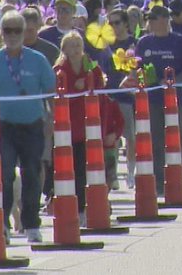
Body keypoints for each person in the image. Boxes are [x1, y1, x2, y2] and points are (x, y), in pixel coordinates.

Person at [0, 11, 56, 243]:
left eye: (17, 30)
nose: (12, 35)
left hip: (32, 125)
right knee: (4, 175)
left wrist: (51, 123)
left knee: (32, 174)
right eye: (7, 30)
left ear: (25, 33)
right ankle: (2, 223)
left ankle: (31, 224)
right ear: (1, 34)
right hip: (3, 127)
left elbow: (51, 95)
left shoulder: (38, 60)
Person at [132, 5, 182, 195]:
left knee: (177, 139)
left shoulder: (180, 42)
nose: (150, 22)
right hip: (152, 100)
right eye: (149, 19)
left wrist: (174, 83)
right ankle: (159, 182)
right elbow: (137, 68)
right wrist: (141, 80)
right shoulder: (144, 43)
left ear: (165, 20)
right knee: (155, 140)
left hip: (175, 100)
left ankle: (176, 177)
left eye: (154, 18)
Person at [53, 31, 105, 223]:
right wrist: (76, 85)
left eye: (78, 45)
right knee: (67, 168)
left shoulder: (90, 65)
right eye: (71, 45)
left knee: (86, 168)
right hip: (67, 126)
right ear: (64, 48)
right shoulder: (59, 69)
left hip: (87, 125)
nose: (75, 49)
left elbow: (100, 83)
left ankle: (85, 208)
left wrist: (89, 82)